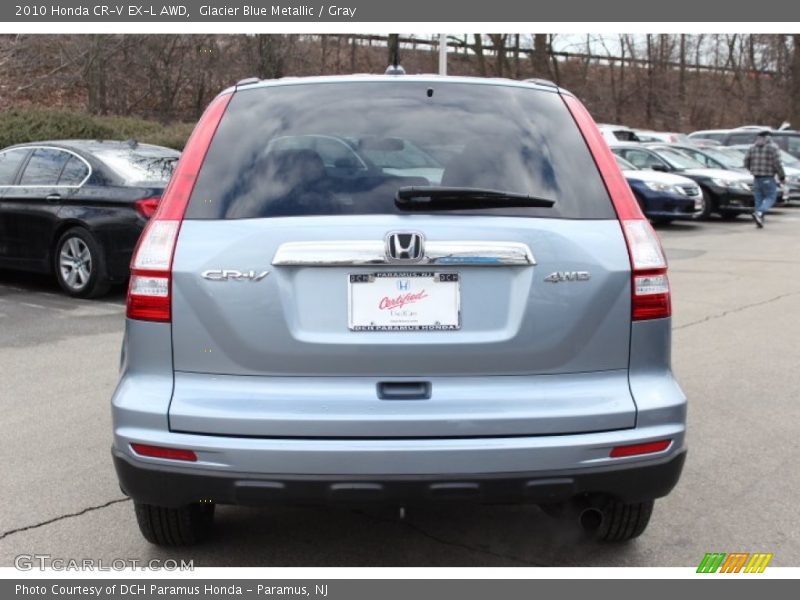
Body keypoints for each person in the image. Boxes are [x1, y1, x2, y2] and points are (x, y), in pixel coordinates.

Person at [744, 130, 785, 228]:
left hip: (756, 177)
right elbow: (777, 163)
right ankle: (759, 213)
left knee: (758, 199)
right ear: (769, 137)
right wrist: (781, 176)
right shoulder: (773, 148)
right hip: (768, 177)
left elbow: (746, 161)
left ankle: (759, 220)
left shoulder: (752, 147)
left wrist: (751, 170)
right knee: (771, 197)